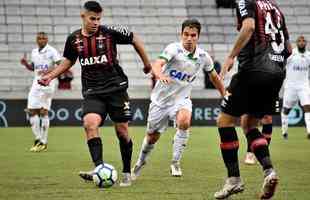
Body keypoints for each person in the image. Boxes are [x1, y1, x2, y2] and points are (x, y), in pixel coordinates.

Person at [38, 1, 152, 187]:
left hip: (116, 89)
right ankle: (99, 169)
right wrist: (50, 76)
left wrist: (147, 64)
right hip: (93, 92)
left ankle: (125, 172)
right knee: (89, 124)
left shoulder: (109, 32)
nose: (96, 22)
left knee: (122, 131)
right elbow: (68, 61)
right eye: (92, 18)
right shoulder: (73, 39)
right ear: (83, 16)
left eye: (99, 19)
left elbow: (134, 39)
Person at [215, 0, 291, 199]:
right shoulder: (276, 8)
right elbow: (289, 49)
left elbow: (249, 27)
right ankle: (269, 172)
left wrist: (231, 56)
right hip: (276, 73)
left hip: (253, 69)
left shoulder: (245, 1)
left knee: (224, 121)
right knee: (249, 124)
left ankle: (233, 180)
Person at [131, 19, 225, 180]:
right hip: (160, 101)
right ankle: (140, 162)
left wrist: (225, 93)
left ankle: (175, 162)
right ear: (181, 34)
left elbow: (214, 77)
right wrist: (160, 75)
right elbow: (157, 64)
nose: (189, 38)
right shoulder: (173, 49)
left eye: (193, 35)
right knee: (152, 136)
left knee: (184, 121)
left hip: (182, 99)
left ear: (198, 36)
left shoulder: (203, 56)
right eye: (186, 34)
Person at [20, 32, 61, 152]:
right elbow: (33, 68)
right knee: (32, 110)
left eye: (44, 38)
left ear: (47, 40)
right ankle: (38, 139)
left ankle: (44, 141)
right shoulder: (34, 52)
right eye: (39, 38)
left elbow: (60, 64)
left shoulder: (52, 51)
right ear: (36, 40)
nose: (42, 40)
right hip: (36, 83)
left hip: (48, 82)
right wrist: (26, 64)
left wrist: (49, 70)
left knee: (43, 111)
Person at [281, 35, 310, 140]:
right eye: (299, 41)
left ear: (306, 43)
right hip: (291, 86)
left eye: (303, 41)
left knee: (307, 107)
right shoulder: (291, 54)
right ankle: (284, 132)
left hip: (304, 86)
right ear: (297, 43)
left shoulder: (308, 55)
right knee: (286, 110)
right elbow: (283, 66)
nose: (302, 42)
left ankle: (309, 131)